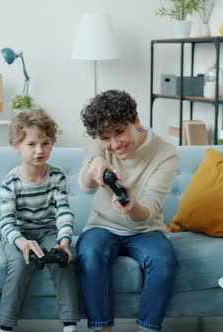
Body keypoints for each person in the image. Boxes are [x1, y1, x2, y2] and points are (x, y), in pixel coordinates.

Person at [76, 90, 179, 332]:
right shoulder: (97, 141)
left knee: (164, 261)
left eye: (120, 132)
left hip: (146, 228)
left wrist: (133, 208)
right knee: (90, 254)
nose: (114, 144)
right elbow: (85, 186)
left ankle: (146, 328)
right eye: (106, 139)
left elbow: (150, 211)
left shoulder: (165, 153)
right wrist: (94, 167)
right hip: (101, 226)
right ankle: (103, 329)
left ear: (137, 121)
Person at [0, 109, 80, 332]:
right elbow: (6, 223)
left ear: (52, 143)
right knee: (20, 263)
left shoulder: (57, 176)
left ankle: (70, 324)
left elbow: (63, 212)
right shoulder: (10, 182)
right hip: (18, 232)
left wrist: (64, 242)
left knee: (63, 261)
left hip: (47, 230)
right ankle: (5, 325)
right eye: (31, 144)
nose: (39, 150)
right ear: (16, 145)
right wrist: (22, 243)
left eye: (45, 143)